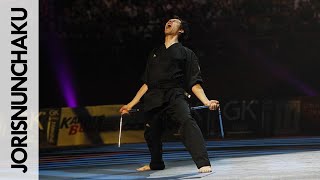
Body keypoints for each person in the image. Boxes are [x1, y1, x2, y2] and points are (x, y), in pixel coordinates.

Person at [120, 17, 219, 173]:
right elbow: (147, 83)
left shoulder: (187, 53)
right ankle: (156, 163)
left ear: (181, 30)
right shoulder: (155, 52)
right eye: (168, 20)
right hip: (153, 96)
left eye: (174, 21)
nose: (169, 22)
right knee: (151, 132)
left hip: (175, 94)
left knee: (187, 122)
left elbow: (195, 83)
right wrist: (130, 104)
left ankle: (203, 162)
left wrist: (206, 102)